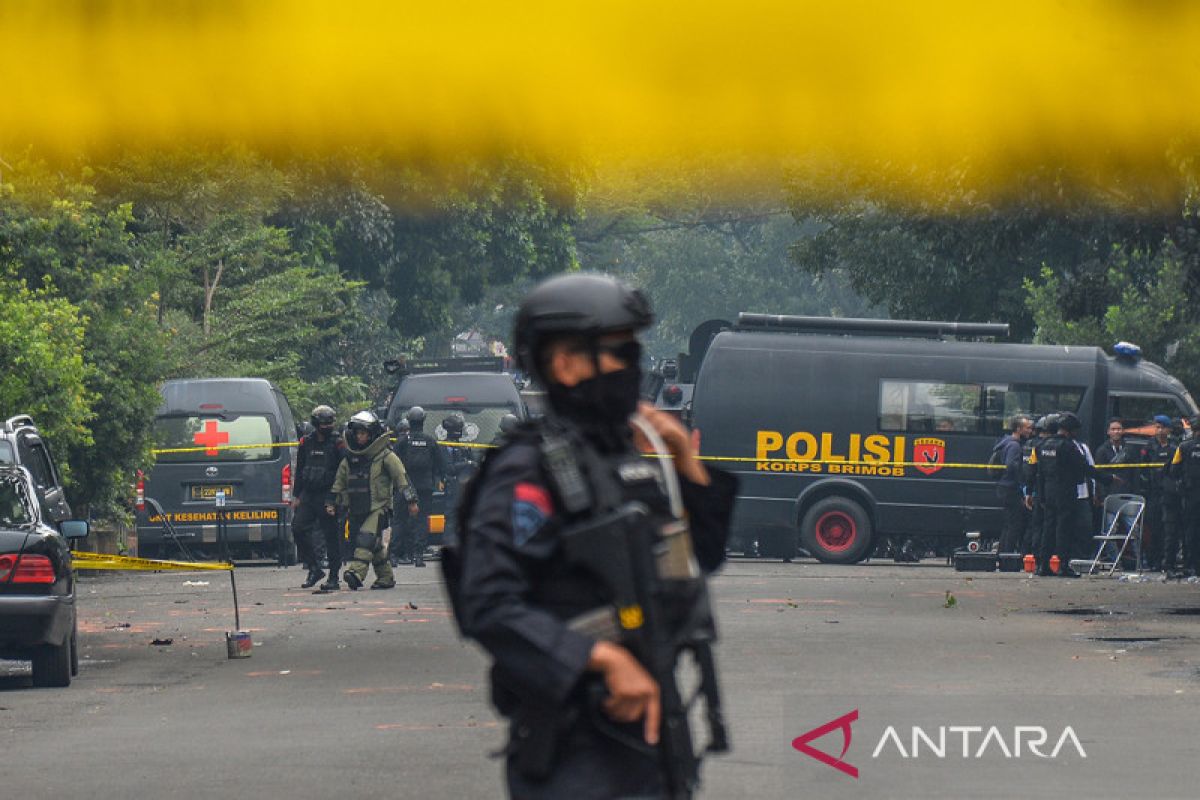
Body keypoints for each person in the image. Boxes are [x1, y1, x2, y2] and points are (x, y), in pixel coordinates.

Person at [445, 273, 737, 798]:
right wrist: (599, 658)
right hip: (577, 749)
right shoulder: (530, 469)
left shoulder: (621, 458)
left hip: (647, 741)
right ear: (565, 363)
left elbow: (699, 559)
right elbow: (488, 602)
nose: (633, 368)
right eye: (620, 352)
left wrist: (684, 461)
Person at [327, 410, 418, 590]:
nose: (360, 437)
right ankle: (386, 577)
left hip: (379, 507)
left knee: (365, 539)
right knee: (373, 545)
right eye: (358, 433)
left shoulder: (386, 456)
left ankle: (356, 572)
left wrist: (412, 501)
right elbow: (339, 481)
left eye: (364, 433)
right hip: (355, 507)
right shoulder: (349, 458)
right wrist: (331, 502)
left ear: (372, 434)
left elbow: (402, 478)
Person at [1031, 412, 1110, 577]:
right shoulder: (1068, 446)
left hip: (1048, 492)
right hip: (1065, 492)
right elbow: (1084, 468)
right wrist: (1107, 478)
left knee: (1048, 529)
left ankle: (1042, 565)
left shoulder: (1043, 445)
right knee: (1063, 530)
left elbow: (1039, 473)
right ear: (1069, 430)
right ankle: (1063, 566)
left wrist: (1041, 495)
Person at [291, 405, 347, 590]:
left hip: (328, 495)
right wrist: (296, 496)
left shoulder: (338, 443)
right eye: (323, 423)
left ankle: (333, 576)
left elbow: (343, 472)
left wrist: (334, 498)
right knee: (297, 528)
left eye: (329, 423)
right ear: (316, 423)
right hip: (308, 493)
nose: (326, 426)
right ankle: (314, 568)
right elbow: (299, 470)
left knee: (331, 537)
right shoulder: (306, 442)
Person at [392, 406, 444, 568]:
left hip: (404, 486)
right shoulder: (430, 441)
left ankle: (394, 555)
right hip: (425, 487)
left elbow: (394, 464)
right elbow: (440, 464)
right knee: (421, 520)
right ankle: (419, 555)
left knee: (400, 520)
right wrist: (438, 479)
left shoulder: (402, 442)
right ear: (423, 420)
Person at [1143, 415, 1179, 572]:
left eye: (1162, 427)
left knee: (1169, 529)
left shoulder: (1175, 447)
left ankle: (1168, 561)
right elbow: (1143, 471)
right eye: (1156, 427)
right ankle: (1153, 560)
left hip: (1170, 494)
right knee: (1154, 527)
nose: (1159, 430)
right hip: (1153, 493)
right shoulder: (1149, 447)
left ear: (1168, 429)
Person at [991, 415, 1031, 553]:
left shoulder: (1005, 442)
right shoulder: (1014, 445)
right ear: (1018, 429)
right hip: (1010, 489)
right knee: (1015, 524)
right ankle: (1007, 556)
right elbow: (1012, 466)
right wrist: (1023, 482)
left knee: (1009, 524)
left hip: (1004, 488)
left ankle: (1003, 553)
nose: (1030, 430)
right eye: (1027, 428)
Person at [1167, 415, 1200, 576]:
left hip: (1190, 495)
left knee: (1190, 530)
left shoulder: (1183, 447)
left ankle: (1190, 564)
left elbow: (1173, 470)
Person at [440, 412, 478, 546]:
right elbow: (449, 468)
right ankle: (449, 543)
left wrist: (471, 461)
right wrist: (467, 463)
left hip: (464, 485)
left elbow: (474, 462)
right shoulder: (445, 446)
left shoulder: (462, 446)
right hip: (452, 485)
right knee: (451, 515)